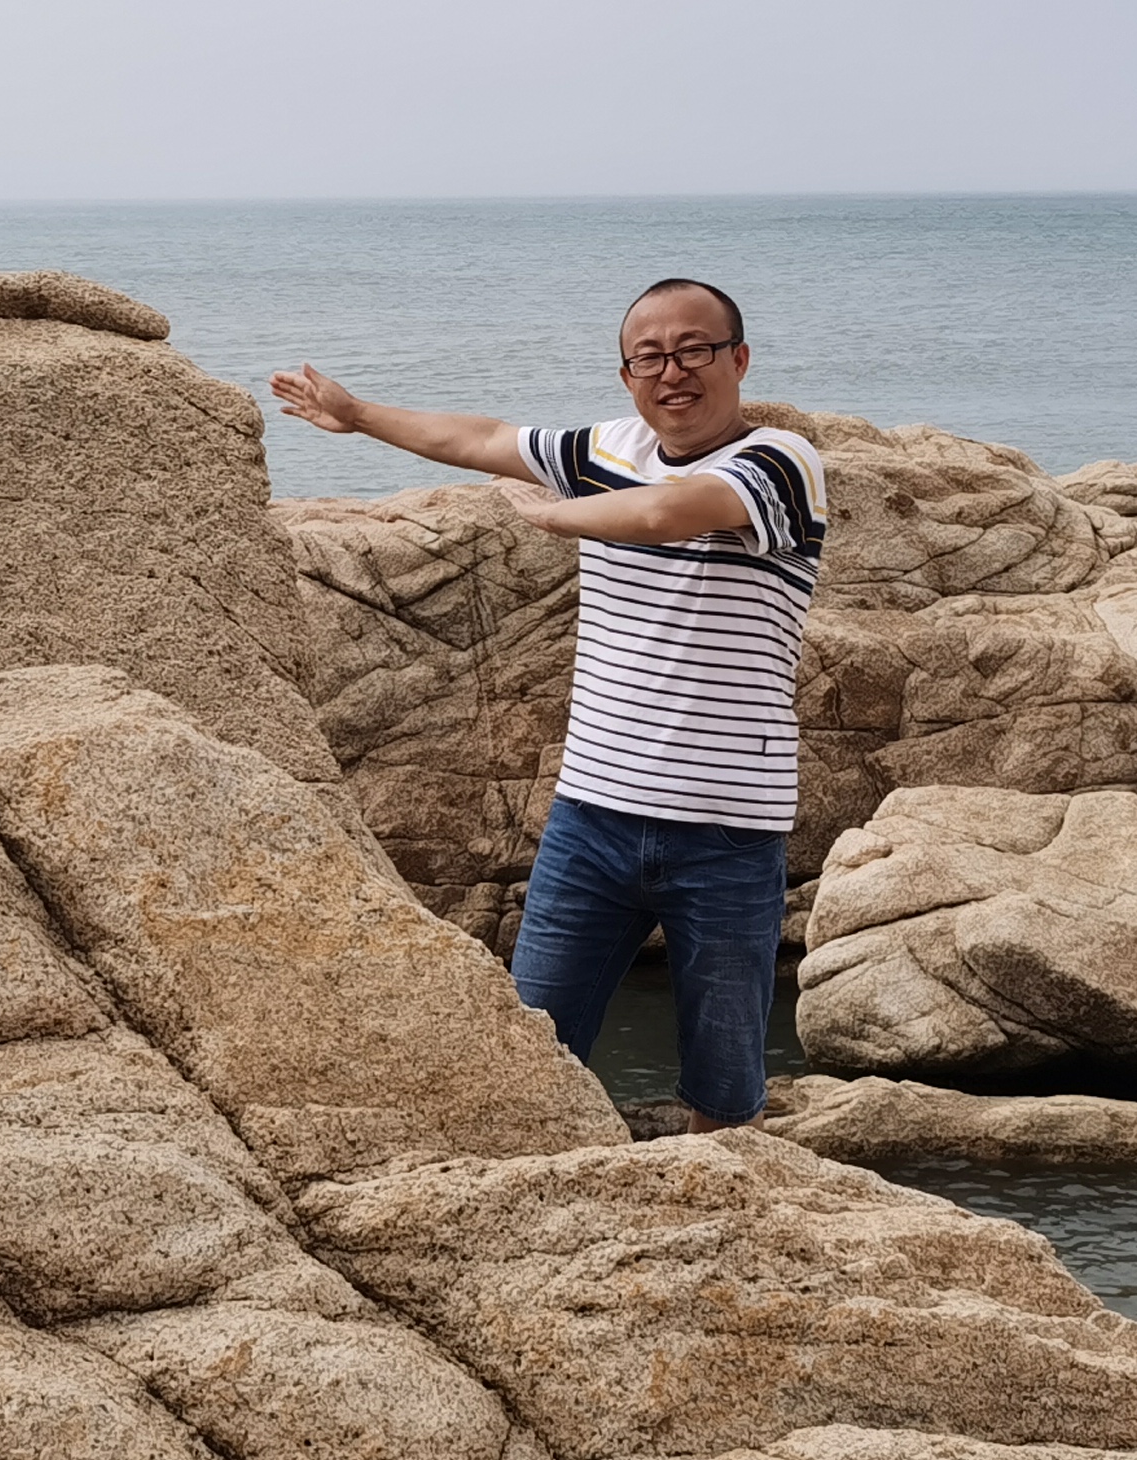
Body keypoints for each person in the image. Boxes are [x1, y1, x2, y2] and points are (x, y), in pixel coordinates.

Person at [270, 278, 826, 1127]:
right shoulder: (606, 448)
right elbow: (486, 437)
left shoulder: (780, 463)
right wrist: (358, 414)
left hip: (727, 830)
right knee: (529, 1058)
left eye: (694, 351)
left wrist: (557, 518)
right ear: (628, 373)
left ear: (738, 360)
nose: (672, 371)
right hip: (591, 819)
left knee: (723, 1094)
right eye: (650, 357)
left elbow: (672, 513)